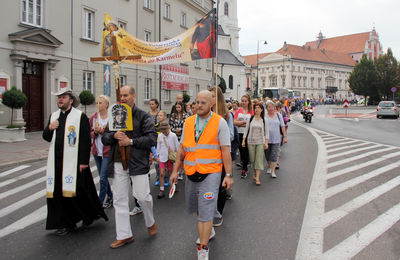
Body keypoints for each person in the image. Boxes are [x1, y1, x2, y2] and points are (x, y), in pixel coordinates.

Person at [170, 90, 233, 260]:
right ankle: (209, 229)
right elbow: (182, 149)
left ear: (211, 103)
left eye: (202, 102)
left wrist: (228, 174)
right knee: (199, 208)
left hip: (211, 174)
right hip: (191, 173)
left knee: (205, 212)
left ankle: (203, 248)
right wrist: (176, 171)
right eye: (196, 102)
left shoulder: (220, 123)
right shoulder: (189, 122)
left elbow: (226, 150)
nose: (198, 105)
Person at [43, 87, 108, 236]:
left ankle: (88, 215)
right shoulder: (54, 116)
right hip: (56, 163)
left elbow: (86, 140)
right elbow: (47, 137)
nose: (60, 99)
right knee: (60, 193)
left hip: (74, 162)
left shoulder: (80, 116)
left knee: (80, 192)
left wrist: (84, 162)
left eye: (64, 97)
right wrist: (50, 128)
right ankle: (67, 223)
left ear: (71, 100)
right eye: (59, 97)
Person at [102, 85, 158, 249]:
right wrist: (113, 135)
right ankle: (124, 235)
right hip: (118, 162)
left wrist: (131, 141)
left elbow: (151, 139)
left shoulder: (143, 116)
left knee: (142, 196)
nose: (123, 98)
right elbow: (105, 138)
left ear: (134, 96)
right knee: (119, 199)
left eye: (126, 95)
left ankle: (150, 221)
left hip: (137, 163)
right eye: (121, 95)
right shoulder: (115, 114)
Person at [210, 86, 234, 227]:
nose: (210, 99)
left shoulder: (226, 114)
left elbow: (231, 135)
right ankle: (210, 211)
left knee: (220, 186)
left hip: (222, 154)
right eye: (209, 96)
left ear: (218, 97)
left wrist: (219, 134)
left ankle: (218, 212)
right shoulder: (205, 113)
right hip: (208, 156)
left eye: (213, 96)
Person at [89, 95, 113, 208]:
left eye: (100, 103)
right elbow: (89, 132)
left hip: (107, 151)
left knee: (103, 177)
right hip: (96, 150)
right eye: (97, 103)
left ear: (106, 105)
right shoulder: (94, 117)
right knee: (102, 177)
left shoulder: (111, 118)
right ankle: (111, 196)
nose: (98, 105)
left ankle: (99, 203)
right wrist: (95, 132)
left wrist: (102, 131)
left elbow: (112, 134)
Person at [242, 102, 269, 185]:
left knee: (259, 159)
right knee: (253, 159)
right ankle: (254, 172)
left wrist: (266, 143)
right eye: (255, 108)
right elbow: (246, 130)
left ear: (261, 110)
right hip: (251, 141)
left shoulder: (264, 120)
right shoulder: (250, 118)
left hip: (260, 142)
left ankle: (257, 178)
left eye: (258, 108)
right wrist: (243, 140)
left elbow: (267, 132)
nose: (256, 109)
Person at [156, 121, 179, 198]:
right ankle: (161, 190)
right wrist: (157, 155)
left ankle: (173, 186)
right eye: (163, 131)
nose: (164, 133)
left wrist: (176, 154)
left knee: (170, 172)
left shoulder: (173, 135)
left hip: (170, 156)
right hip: (162, 156)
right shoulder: (160, 136)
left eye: (165, 131)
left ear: (168, 128)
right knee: (161, 173)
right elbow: (158, 145)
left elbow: (177, 146)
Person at [264, 100, 287, 178]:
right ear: (266, 108)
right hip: (266, 139)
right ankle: (269, 166)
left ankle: (273, 171)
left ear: (274, 108)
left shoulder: (278, 115)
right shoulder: (264, 115)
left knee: (274, 155)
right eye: (268, 107)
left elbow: (282, 126)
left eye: (272, 107)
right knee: (267, 155)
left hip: (276, 138)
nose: (270, 108)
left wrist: (285, 136)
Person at [234, 94, 254, 178]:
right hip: (239, 134)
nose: (243, 102)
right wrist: (244, 123)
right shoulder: (238, 111)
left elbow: (252, 124)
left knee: (246, 151)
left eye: (245, 101)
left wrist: (240, 123)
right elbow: (234, 122)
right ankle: (244, 164)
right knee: (241, 151)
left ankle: (244, 169)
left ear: (248, 102)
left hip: (248, 134)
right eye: (242, 101)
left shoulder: (251, 111)